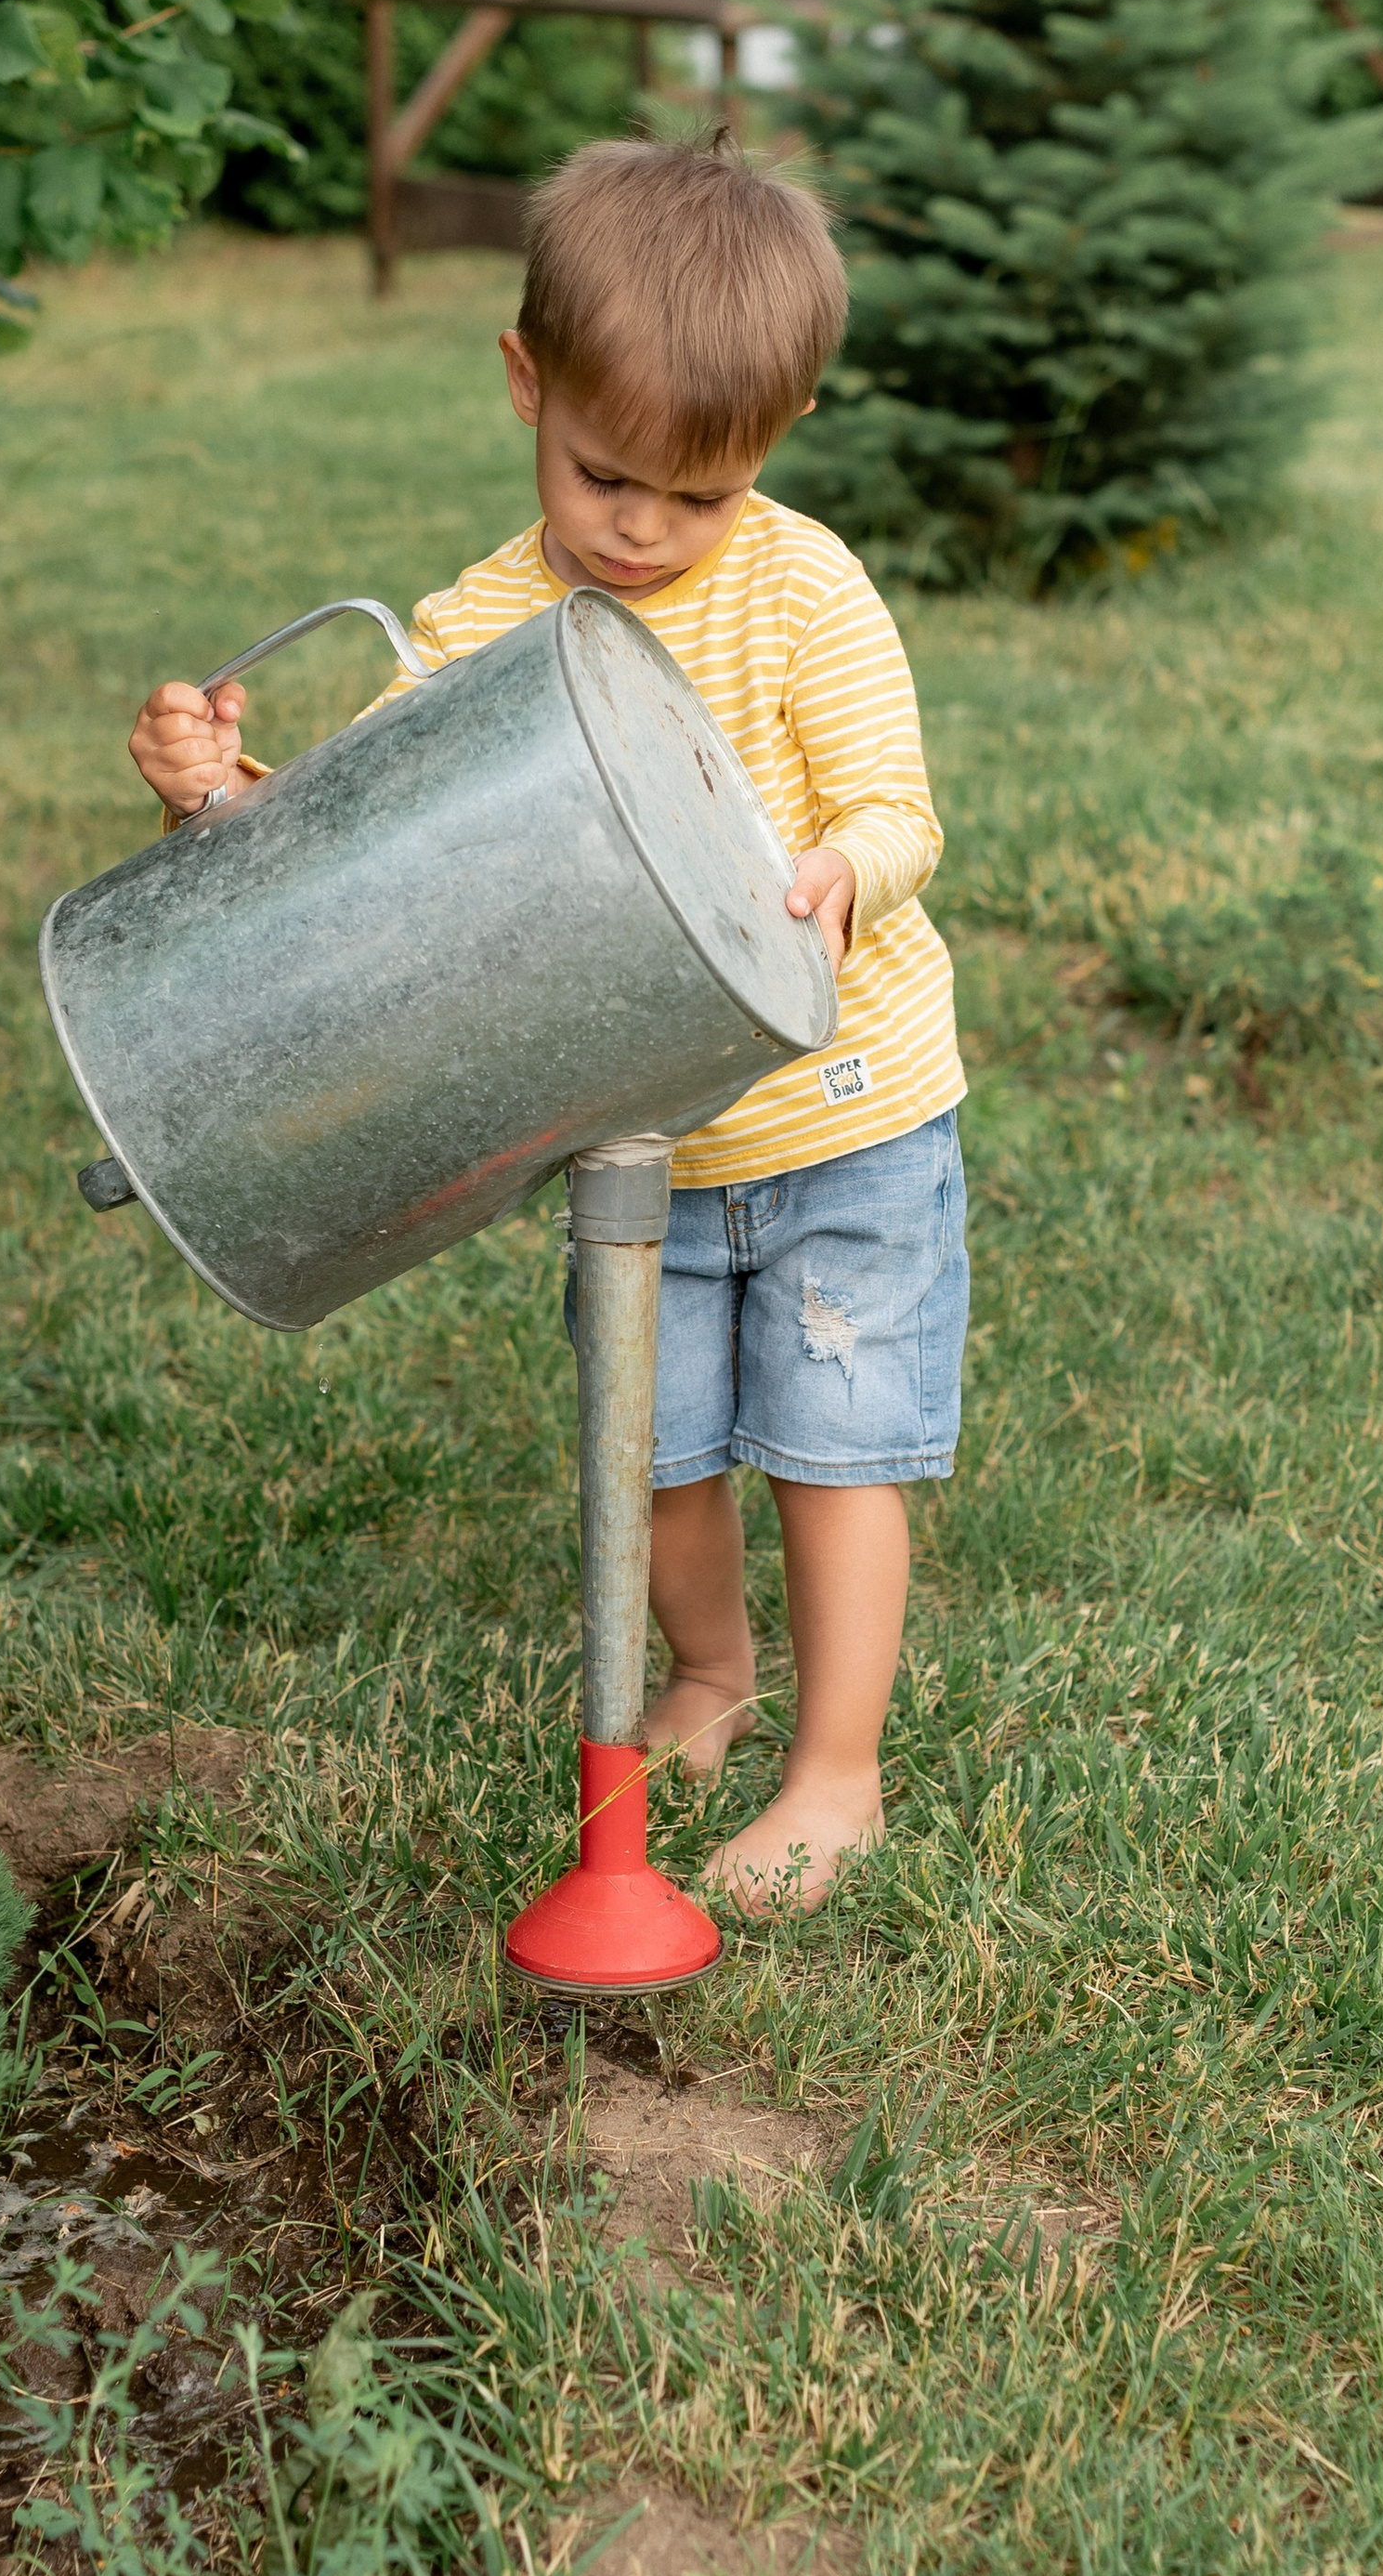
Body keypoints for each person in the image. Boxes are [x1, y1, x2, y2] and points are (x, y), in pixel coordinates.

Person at [126, 134, 966, 1911]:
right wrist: (222, 801)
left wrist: (839, 870)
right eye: (603, 475)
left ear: (777, 449)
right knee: (652, 1450)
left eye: (701, 493)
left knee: (833, 1445)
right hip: (629, 1140)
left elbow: (904, 810)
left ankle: (838, 1772)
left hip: (843, 1116)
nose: (644, 527)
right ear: (526, 381)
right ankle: (714, 1680)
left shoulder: (804, 588)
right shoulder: (484, 623)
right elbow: (375, 854)